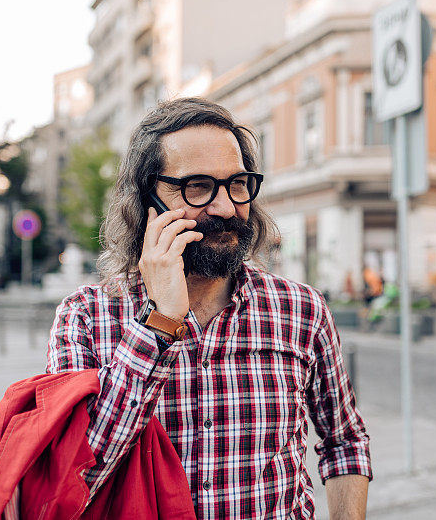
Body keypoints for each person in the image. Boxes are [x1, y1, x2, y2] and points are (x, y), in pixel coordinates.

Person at [47, 98, 371, 519]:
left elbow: (344, 441)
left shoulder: (301, 310)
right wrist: (159, 324)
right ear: (147, 200)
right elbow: (73, 476)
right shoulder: (85, 318)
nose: (225, 207)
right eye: (197, 187)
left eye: (237, 184)